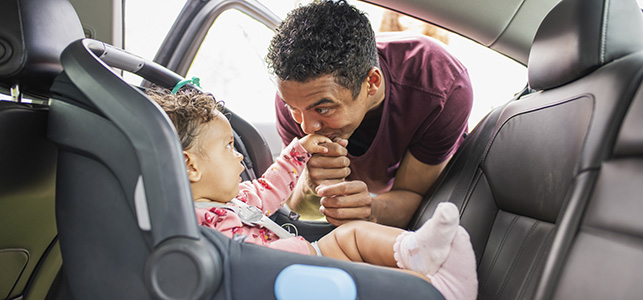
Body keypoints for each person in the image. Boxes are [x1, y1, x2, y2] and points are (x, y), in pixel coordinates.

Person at [146, 87, 477, 300]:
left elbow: (270, 186)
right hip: (276, 276)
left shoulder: (236, 199)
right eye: (228, 147)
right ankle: (434, 288)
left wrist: (298, 152)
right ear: (191, 167)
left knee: (354, 234)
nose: (238, 157)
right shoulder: (188, 222)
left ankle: (419, 257)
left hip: (296, 259)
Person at [266, 0, 473, 228]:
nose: (306, 127)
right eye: (293, 109)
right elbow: (299, 209)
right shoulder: (298, 96)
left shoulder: (439, 84)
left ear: (371, 82)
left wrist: (371, 211)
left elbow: (412, 196)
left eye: (323, 109)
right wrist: (310, 185)